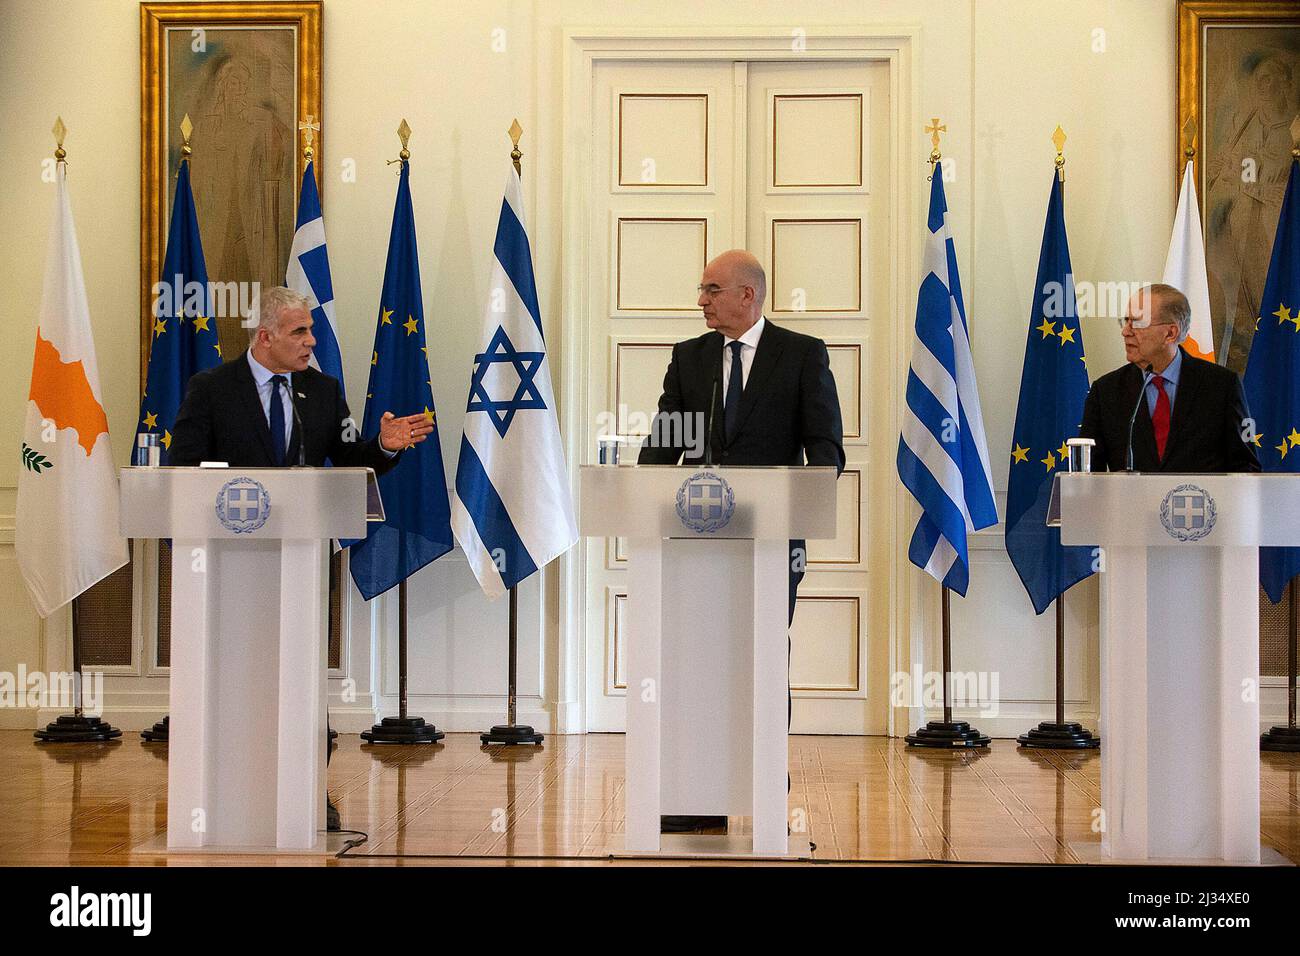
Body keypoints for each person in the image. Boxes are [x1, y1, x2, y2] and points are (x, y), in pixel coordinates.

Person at [169, 286, 435, 831]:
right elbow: (184, 469)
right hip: (229, 570)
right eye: (298, 332)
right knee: (237, 679)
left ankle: (305, 790)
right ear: (264, 336)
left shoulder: (322, 390)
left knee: (301, 679)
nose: (312, 341)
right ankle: (224, 791)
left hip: (303, 564)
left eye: (311, 330)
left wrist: (384, 446)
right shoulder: (212, 389)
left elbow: (348, 461)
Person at [638, 249, 845, 834]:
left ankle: (761, 772)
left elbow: (825, 448)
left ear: (746, 296)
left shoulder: (802, 355)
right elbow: (663, 444)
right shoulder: (689, 358)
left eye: (710, 289)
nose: (700, 300)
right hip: (696, 544)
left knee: (758, 658)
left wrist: (805, 499)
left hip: (772, 542)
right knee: (695, 662)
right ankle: (695, 789)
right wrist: (641, 490)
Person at [1079, 283, 1260, 473]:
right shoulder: (1105, 391)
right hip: (1132, 502)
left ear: (1170, 333)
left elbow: (1246, 467)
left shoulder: (1222, 386)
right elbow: (1088, 474)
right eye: (1125, 321)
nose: (1125, 332)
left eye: (1137, 322)